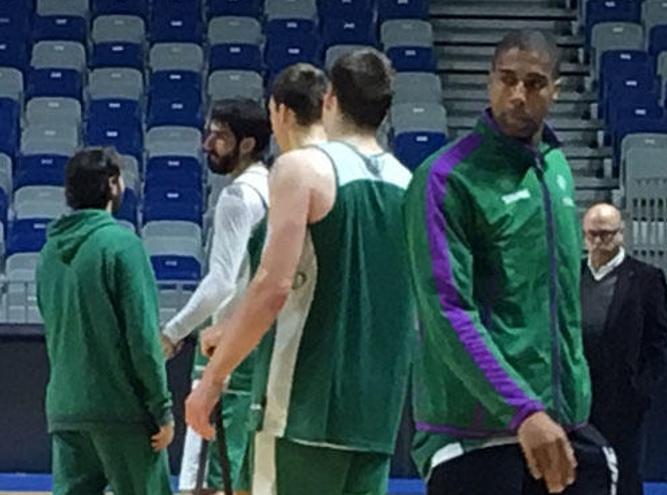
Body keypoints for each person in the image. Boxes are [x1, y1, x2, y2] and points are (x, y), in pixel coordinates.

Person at [186, 49, 414, 495]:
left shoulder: (301, 168)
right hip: (378, 410)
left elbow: (274, 285)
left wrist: (212, 380)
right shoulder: (410, 182)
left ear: (330, 99)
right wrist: (232, 326)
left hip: (304, 403)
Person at [402, 30, 617, 495]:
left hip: (561, 426)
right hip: (475, 434)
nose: (519, 95)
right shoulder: (445, 178)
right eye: (507, 80)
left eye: (535, 83)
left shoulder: (555, 167)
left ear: (556, 90)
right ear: (488, 82)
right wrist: (523, 409)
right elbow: (448, 310)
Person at [36, 148, 174, 495]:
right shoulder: (122, 245)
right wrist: (162, 407)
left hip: (65, 408)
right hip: (120, 409)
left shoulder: (48, 252)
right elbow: (142, 338)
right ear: (112, 184)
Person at [162, 98, 272, 495]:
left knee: (204, 479)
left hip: (226, 349)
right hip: (263, 344)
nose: (208, 143)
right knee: (246, 476)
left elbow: (222, 282)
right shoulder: (278, 188)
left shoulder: (238, 197)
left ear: (246, 144)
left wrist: (173, 331)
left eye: (220, 136)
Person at [581, 203, 667, 495]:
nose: (598, 240)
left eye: (606, 234)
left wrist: (641, 389)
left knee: (625, 475)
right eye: (593, 234)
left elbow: (658, 341)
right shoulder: (572, 276)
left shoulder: (646, 278)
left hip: (623, 401)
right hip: (578, 397)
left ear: (621, 234)